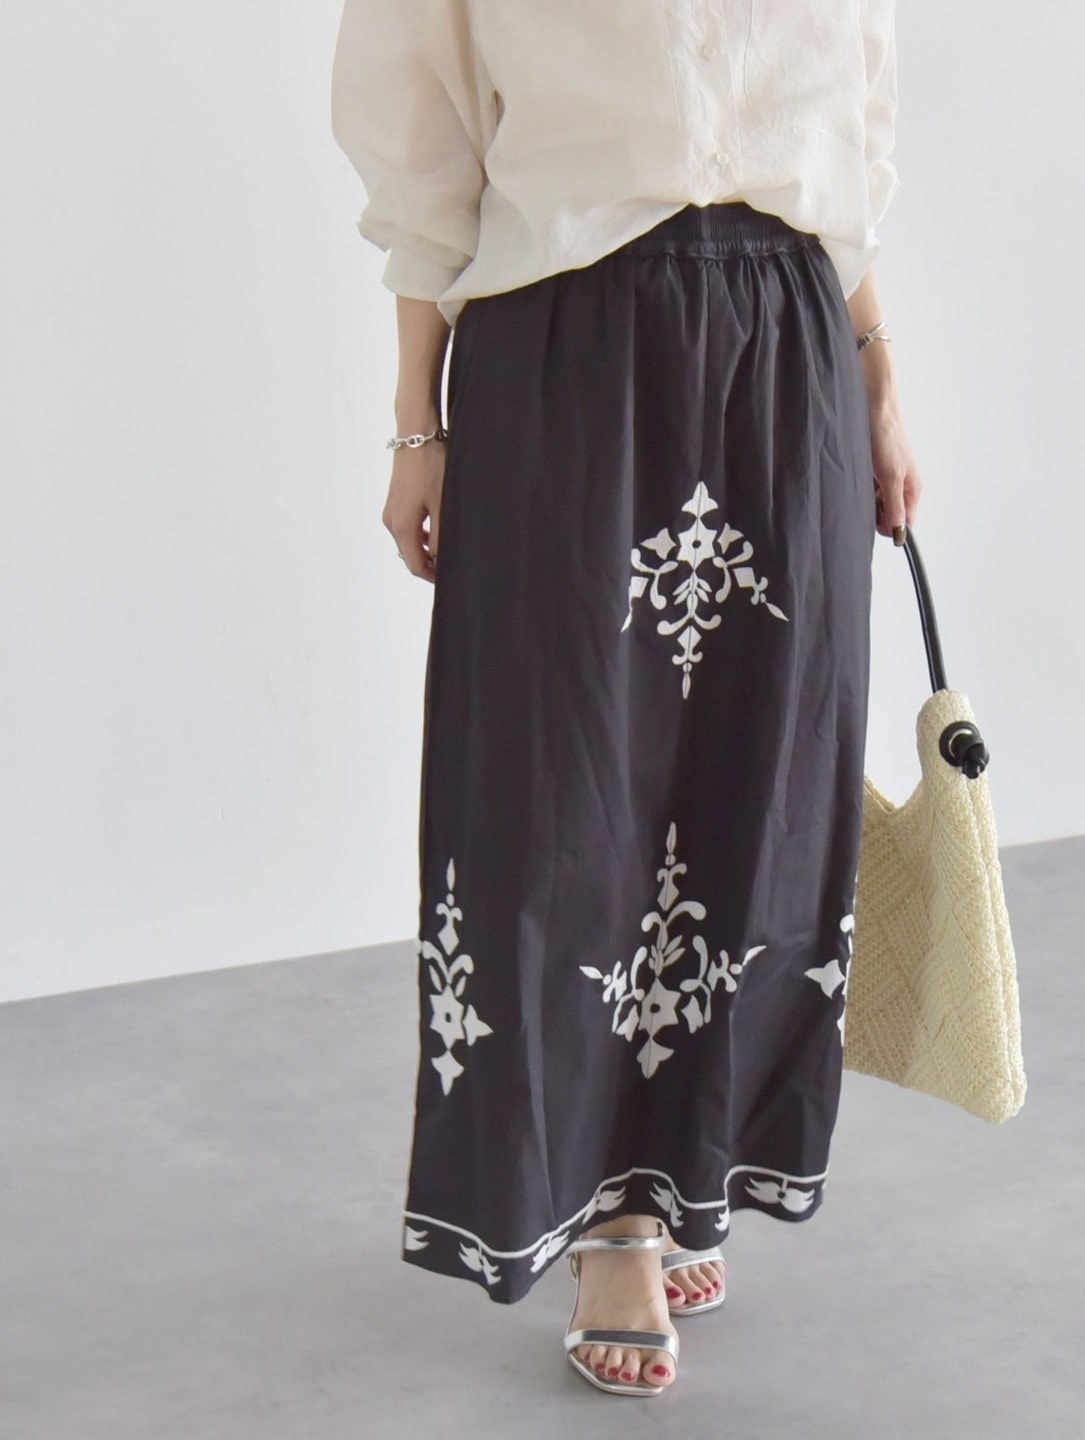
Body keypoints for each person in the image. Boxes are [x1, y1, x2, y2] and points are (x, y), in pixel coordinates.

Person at [330, 0, 922, 1398]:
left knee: (762, 780)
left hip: (787, 344)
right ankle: (607, 1221)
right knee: (559, 797)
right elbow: (422, 151)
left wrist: (883, 374)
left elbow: (850, 143)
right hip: (570, 341)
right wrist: (417, 421)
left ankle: (680, 1173)